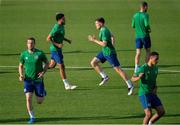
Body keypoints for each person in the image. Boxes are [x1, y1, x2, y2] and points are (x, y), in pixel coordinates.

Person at [88, 17, 134, 95]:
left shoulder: (104, 31)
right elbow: (112, 36)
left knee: (118, 70)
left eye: (96, 23)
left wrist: (94, 40)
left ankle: (130, 85)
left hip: (110, 53)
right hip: (104, 52)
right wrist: (112, 44)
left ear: (101, 23)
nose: (95, 25)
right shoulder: (103, 30)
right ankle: (105, 77)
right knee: (93, 63)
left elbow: (104, 44)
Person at [18, 37, 49, 124]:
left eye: (32, 43)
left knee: (40, 101)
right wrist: (21, 75)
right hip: (28, 81)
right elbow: (20, 66)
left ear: (34, 44)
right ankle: (32, 117)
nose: (30, 44)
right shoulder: (23, 54)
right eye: (28, 43)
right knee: (28, 99)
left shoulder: (40, 53)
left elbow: (47, 62)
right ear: (26, 44)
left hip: (38, 80)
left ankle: (43, 91)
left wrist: (43, 72)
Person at [131, 52, 165, 125]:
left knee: (161, 111)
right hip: (144, 93)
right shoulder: (143, 68)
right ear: (151, 58)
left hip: (152, 93)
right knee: (148, 114)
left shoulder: (156, 68)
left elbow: (154, 80)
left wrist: (155, 88)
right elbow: (132, 79)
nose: (157, 61)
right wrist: (139, 77)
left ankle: (150, 123)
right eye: (156, 59)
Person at [46, 13, 77, 90]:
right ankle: (67, 85)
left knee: (52, 65)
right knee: (62, 66)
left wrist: (67, 40)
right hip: (55, 50)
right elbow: (48, 38)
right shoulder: (56, 27)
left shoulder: (62, 26)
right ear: (59, 20)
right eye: (63, 18)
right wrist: (57, 45)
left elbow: (61, 36)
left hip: (58, 50)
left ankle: (40, 68)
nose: (65, 19)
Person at [132, 1, 151, 73]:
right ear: (145, 7)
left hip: (137, 36)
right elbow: (146, 25)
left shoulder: (135, 15)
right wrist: (149, 29)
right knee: (148, 51)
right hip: (145, 36)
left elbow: (133, 25)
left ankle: (136, 67)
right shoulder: (145, 15)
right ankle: (146, 67)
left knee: (138, 52)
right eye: (147, 6)